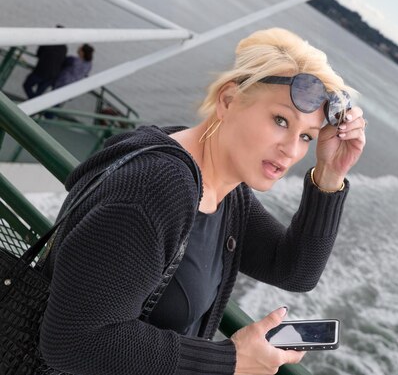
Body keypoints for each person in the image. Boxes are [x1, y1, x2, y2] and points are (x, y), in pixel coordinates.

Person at [38, 27, 366, 375]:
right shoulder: (157, 189)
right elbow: (73, 342)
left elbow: (294, 269)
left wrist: (329, 174)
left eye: (306, 137)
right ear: (228, 100)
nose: (292, 149)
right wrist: (231, 360)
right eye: (280, 120)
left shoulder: (225, 192)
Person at [22, 25, 67, 99]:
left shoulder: (47, 41)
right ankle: (32, 105)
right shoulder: (64, 48)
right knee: (38, 94)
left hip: (41, 71)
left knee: (27, 85)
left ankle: (31, 102)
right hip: (52, 75)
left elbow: (38, 54)